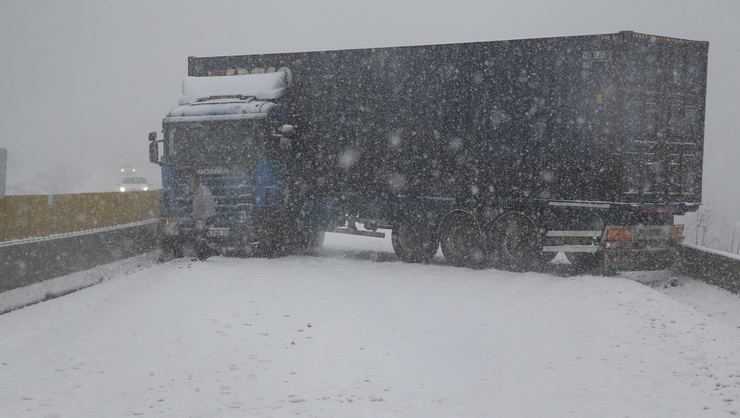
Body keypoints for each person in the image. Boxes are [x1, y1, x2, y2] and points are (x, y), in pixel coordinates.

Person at [188, 175, 216, 260]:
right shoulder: (197, 192)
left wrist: (203, 219)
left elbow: (209, 208)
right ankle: (201, 255)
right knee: (198, 237)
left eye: (190, 185)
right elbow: (197, 207)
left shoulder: (204, 191)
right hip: (199, 219)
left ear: (196, 184)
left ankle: (202, 255)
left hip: (206, 219)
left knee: (201, 237)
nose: (189, 187)